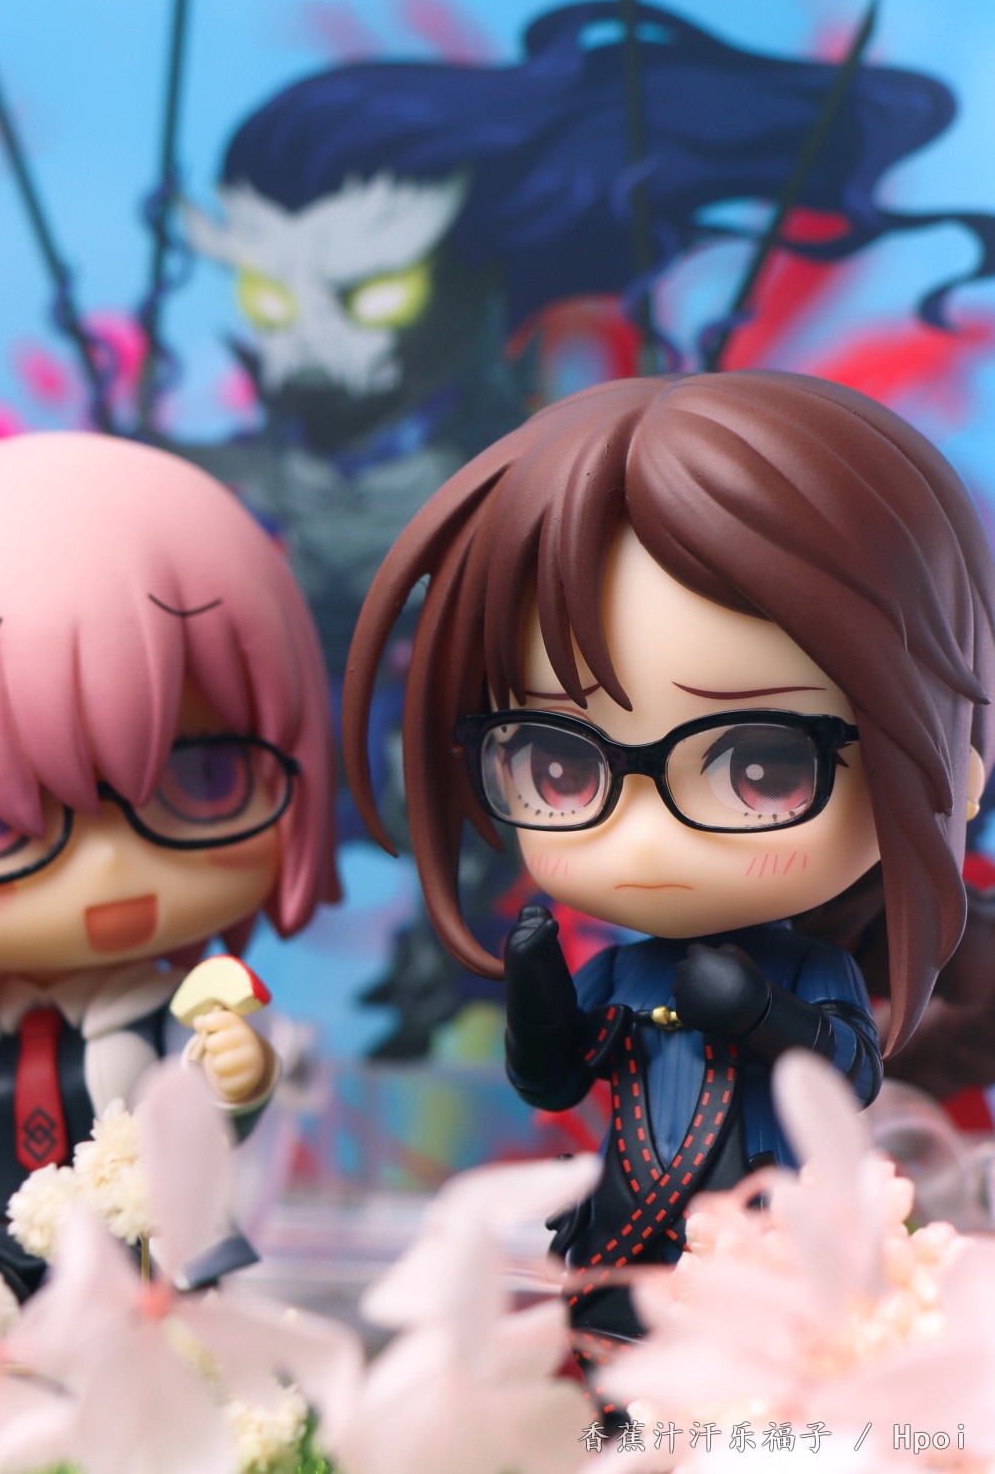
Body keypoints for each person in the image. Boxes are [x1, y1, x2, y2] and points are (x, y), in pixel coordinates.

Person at [342, 371, 995, 1354]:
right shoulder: (621, 972)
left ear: (949, 772)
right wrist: (538, 998)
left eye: (759, 765)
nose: (643, 836)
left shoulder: (811, 970)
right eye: (562, 765)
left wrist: (759, 1012)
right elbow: (555, 1078)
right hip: (620, 1242)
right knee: (611, 1399)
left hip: (761, 1251)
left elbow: (848, 1072)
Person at [0, 432, 337, 1295]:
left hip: (139, 1275)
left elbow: (211, 1114)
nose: (109, 864)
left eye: (201, 777)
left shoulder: (171, 1019)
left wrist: (238, 1079)